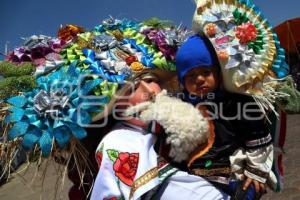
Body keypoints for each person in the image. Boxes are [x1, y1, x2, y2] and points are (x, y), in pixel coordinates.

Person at [159, 34, 276, 200]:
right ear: (182, 81)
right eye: (191, 76)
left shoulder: (236, 103)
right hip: (195, 178)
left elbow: (257, 136)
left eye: (206, 72)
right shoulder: (180, 107)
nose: (199, 79)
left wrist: (256, 172)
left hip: (234, 175)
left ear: (218, 72)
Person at [90, 68, 230, 200]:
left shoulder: (179, 120)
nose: (150, 91)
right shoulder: (118, 141)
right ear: (115, 107)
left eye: (150, 80)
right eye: (132, 89)